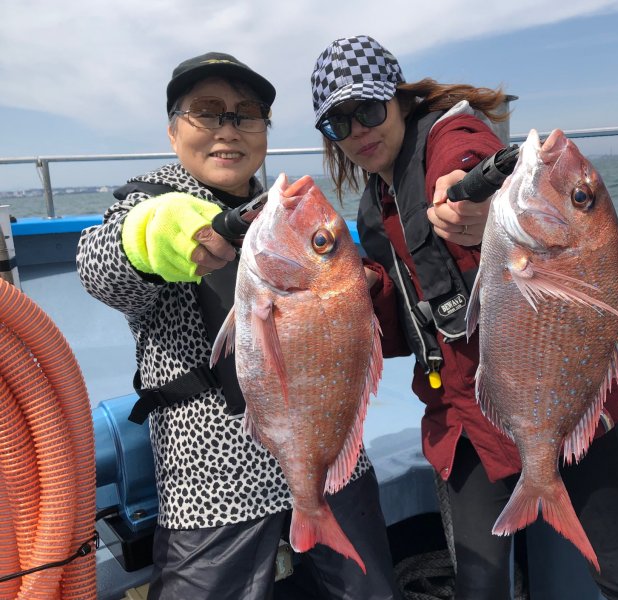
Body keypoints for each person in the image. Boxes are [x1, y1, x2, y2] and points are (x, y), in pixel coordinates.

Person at [310, 34, 618, 600]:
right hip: (464, 418)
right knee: (479, 584)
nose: (357, 131)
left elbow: (468, 156)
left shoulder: (449, 137)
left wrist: (480, 198)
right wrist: (365, 292)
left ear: (400, 99)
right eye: (338, 123)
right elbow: (404, 329)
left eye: (369, 109)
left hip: (572, 401)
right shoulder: (376, 208)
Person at [77, 51, 401, 600]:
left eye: (246, 114)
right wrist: (151, 235)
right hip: (212, 475)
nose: (228, 129)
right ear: (173, 132)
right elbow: (99, 268)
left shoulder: (278, 210)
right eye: (207, 112)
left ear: (265, 133)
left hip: (328, 456)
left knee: (370, 591)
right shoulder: (147, 204)